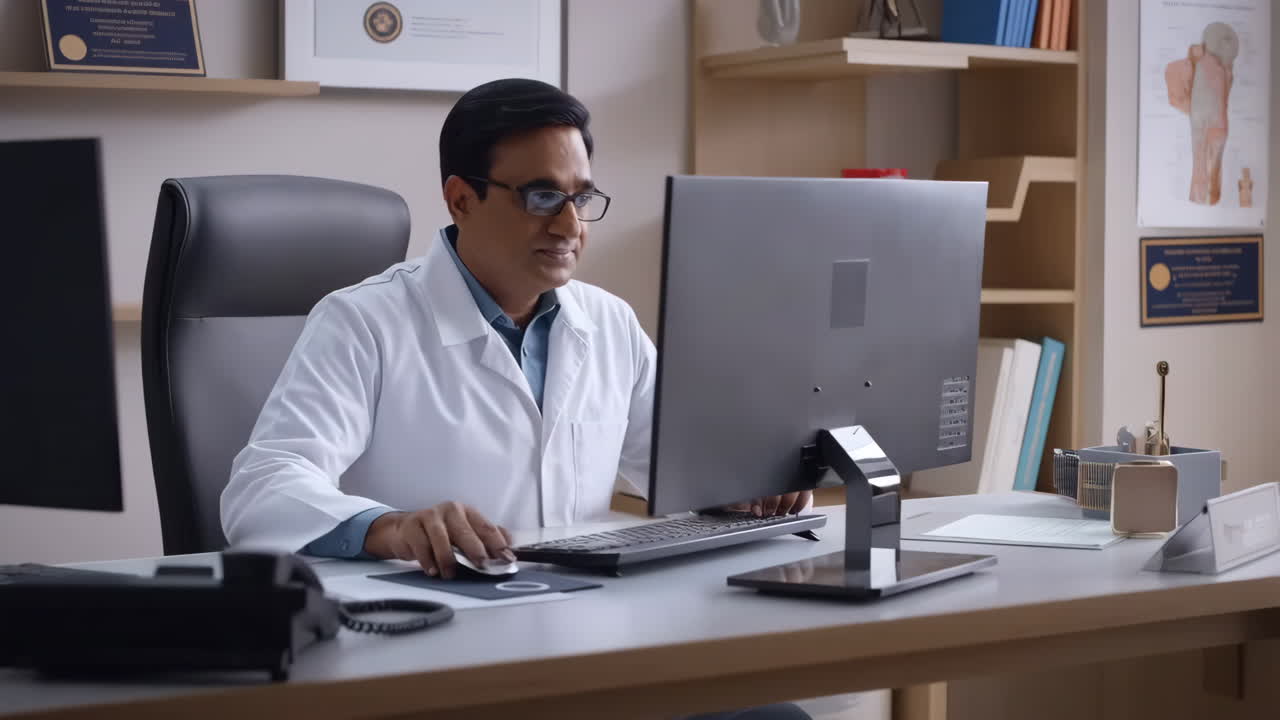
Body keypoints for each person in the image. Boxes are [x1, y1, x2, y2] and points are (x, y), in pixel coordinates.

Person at [220, 78, 812, 580]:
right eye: (542, 196)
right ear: (461, 200)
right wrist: (391, 527)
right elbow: (262, 487)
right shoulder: (363, 322)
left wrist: (742, 485)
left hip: (584, 625)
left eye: (582, 198)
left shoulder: (608, 323)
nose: (569, 225)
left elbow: (680, 464)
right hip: (432, 632)